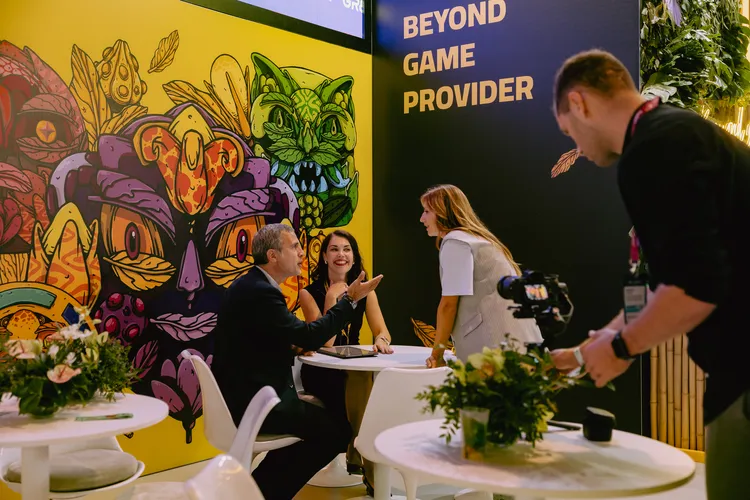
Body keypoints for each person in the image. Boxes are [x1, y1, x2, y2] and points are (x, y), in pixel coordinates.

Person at [549, 49, 750, 500]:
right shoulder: (672, 132)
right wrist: (590, 349)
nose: (576, 147)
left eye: (569, 131)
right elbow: (667, 284)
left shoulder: (656, 147)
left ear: (579, 103)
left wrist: (621, 347)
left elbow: (698, 286)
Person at [211, 223, 382, 500]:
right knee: (337, 432)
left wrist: (292, 345)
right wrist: (349, 299)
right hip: (257, 403)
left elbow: (259, 339)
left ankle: (257, 490)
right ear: (273, 256)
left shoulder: (251, 285)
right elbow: (311, 335)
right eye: (294, 247)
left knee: (330, 427)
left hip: (248, 393)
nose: (302, 253)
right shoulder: (262, 291)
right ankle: (260, 493)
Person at [298, 229, 392, 493]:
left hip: (353, 368)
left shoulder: (366, 292)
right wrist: (332, 298)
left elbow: (382, 331)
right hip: (321, 371)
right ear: (324, 257)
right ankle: (365, 462)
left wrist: (381, 340)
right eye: (334, 249)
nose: (341, 255)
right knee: (363, 384)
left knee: (363, 378)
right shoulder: (308, 293)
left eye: (347, 249)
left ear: (354, 256)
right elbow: (325, 342)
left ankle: (358, 453)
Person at [419, 184, 542, 367]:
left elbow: (448, 305)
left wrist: (437, 355)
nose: (422, 218)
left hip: (496, 346)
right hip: (520, 342)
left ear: (443, 212)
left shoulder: (456, 243)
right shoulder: (475, 239)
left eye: (427, 211)